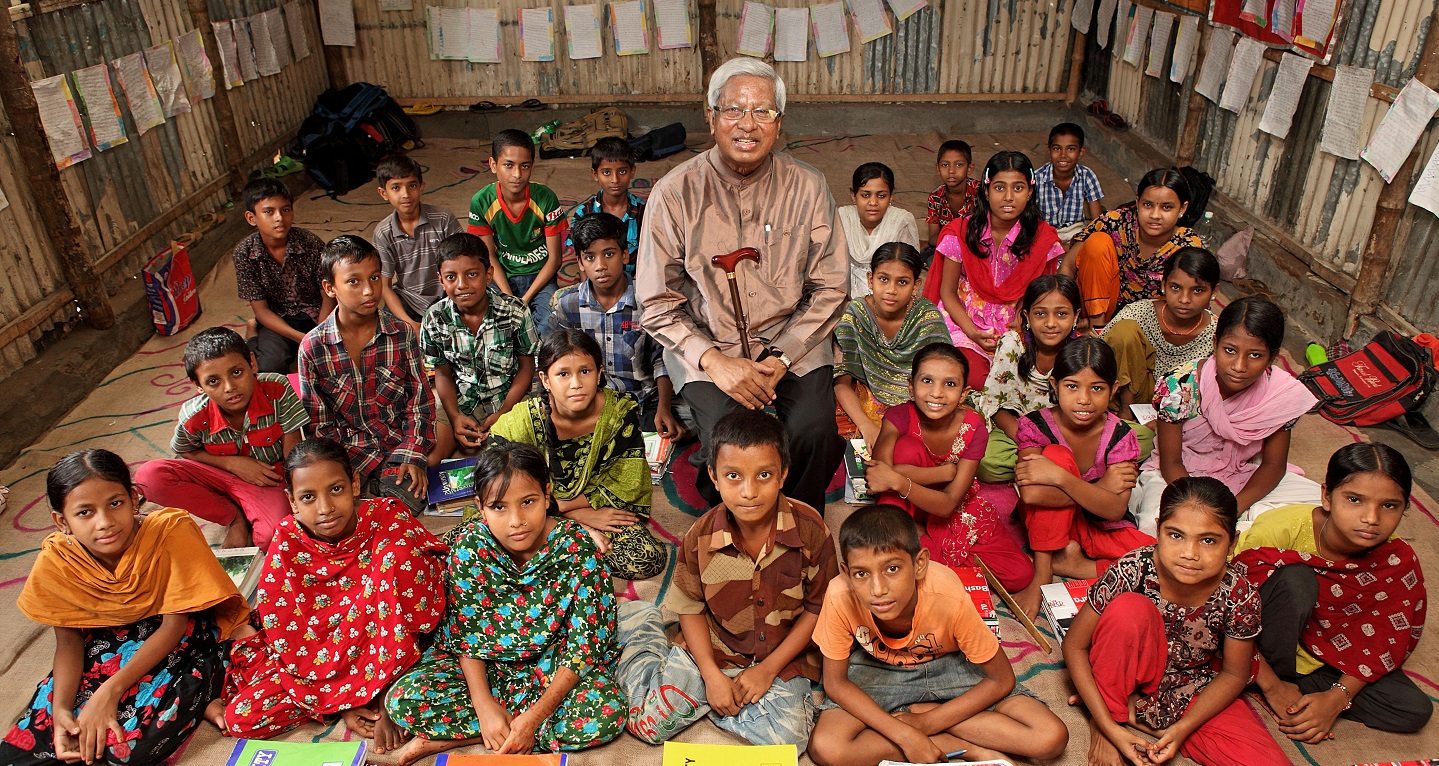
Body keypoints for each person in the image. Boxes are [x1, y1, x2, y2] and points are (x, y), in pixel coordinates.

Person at [636, 56, 847, 512]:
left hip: (793, 339)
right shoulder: (674, 193)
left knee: (814, 432)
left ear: (779, 122)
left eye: (762, 112)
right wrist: (715, 361)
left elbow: (831, 286)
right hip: (710, 342)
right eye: (733, 110)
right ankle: (734, 521)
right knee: (732, 445)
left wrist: (784, 355)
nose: (747, 125)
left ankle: (799, 521)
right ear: (711, 118)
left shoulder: (808, 187)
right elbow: (654, 302)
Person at [0, 449, 248, 766]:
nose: (105, 522)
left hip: (176, 635)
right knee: (30, 746)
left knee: (124, 749)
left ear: (133, 498)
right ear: (62, 521)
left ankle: (204, 689)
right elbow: (69, 642)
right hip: (104, 642)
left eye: (115, 504)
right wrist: (61, 709)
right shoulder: (57, 561)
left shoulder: (170, 532)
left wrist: (109, 693)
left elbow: (174, 626)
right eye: (85, 513)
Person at [385, 442, 626, 763]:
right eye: (499, 507)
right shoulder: (471, 546)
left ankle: (455, 739)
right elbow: (465, 636)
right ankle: (494, 729)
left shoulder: (576, 547)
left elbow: (584, 647)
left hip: (551, 668)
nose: (516, 521)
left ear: (548, 494)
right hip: (487, 668)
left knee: (606, 714)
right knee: (404, 700)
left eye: (528, 502)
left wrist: (535, 717)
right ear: (480, 506)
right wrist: (484, 707)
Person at [617, 410, 838, 748]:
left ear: (783, 475)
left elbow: (817, 608)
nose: (749, 491)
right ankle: (644, 631)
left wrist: (766, 671)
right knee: (651, 726)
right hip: (714, 648)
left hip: (782, 656)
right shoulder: (701, 536)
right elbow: (690, 609)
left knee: (790, 742)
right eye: (733, 476)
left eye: (764, 475)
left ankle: (708, 701)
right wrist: (710, 675)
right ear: (714, 477)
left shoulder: (811, 531)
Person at [216, 438, 447, 755]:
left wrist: (382, 692)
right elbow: (287, 633)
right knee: (242, 717)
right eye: (308, 497)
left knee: (423, 692)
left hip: (392, 654)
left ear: (354, 484)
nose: (325, 508)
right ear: (293, 502)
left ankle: (380, 696)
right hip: (319, 665)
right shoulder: (286, 541)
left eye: (335, 489)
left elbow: (411, 618)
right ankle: (348, 702)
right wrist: (342, 701)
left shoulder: (389, 522)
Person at [808, 505, 1068, 766]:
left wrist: (927, 721)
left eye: (892, 569)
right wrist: (905, 734)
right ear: (846, 573)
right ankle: (961, 747)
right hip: (879, 670)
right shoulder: (840, 594)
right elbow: (836, 683)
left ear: (919, 564)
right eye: (862, 574)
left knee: (1049, 738)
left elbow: (1001, 680)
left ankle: (921, 710)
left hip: (949, 666)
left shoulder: (947, 595)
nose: (878, 589)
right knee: (827, 748)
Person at [1063, 477, 1290, 766]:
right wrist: (1107, 726)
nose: (1189, 554)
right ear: (1158, 530)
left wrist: (1183, 729)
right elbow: (1075, 646)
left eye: (1208, 540)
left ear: (1231, 542)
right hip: (1122, 672)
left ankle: (1135, 714)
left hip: (1193, 684)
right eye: (1175, 535)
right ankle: (1110, 714)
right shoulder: (1133, 568)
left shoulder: (1239, 594)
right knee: (1129, 610)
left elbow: (1234, 675)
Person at [1234, 443, 1432, 740]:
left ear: (1405, 507)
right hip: (1264, 644)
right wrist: (1273, 685)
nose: (1371, 518)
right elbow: (1223, 606)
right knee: (1297, 581)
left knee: (1412, 710)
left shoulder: (1396, 558)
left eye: (1389, 505)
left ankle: (1308, 694)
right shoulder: (1280, 529)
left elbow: (1384, 636)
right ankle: (1267, 680)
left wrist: (1337, 698)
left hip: (1330, 657)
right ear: (1327, 496)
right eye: (1354, 499)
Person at [488, 329, 667, 580]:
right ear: (545, 379)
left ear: (599, 372)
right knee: (475, 541)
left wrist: (570, 510)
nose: (576, 384)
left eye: (585, 371)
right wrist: (570, 519)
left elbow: (627, 483)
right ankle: (571, 541)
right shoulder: (522, 421)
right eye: (563, 374)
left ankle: (553, 554)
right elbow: (497, 486)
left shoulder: (619, 413)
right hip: (530, 512)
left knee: (645, 557)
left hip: (598, 507)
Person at [1132, 296, 1319, 535]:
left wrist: (1235, 506)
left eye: (1255, 355)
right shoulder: (1180, 384)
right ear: (1215, 343)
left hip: (1244, 471)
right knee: (1157, 525)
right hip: (1180, 476)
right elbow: (1171, 462)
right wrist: (1201, 506)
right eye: (1229, 350)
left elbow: (1273, 465)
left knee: (1315, 513)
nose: (1239, 366)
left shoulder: (1280, 394)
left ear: (1272, 357)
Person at [863, 343, 1034, 596]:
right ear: (911, 386)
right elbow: (878, 475)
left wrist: (898, 479)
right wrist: (941, 473)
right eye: (927, 381)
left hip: (951, 507)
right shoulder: (899, 416)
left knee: (1020, 574)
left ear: (964, 393)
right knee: (906, 448)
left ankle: (935, 554)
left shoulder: (974, 426)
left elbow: (947, 504)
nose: (937, 393)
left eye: (950, 384)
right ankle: (917, 541)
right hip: (904, 510)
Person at [299, 235, 441, 514]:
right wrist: (344, 475)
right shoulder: (313, 348)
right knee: (334, 515)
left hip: (397, 447)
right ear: (330, 288)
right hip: (349, 457)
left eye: (375, 278)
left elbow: (420, 403)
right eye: (354, 281)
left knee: (402, 505)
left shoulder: (401, 334)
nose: (369, 291)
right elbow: (320, 426)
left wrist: (411, 453)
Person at [133, 327, 308, 549]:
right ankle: (234, 518)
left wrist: (299, 496)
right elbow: (186, 451)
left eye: (237, 372)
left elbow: (293, 451)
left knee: (272, 538)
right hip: (218, 475)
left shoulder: (277, 388)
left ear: (252, 363)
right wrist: (232, 463)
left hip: (267, 477)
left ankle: (250, 507)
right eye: (213, 381)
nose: (229, 388)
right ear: (198, 386)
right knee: (149, 477)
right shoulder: (193, 416)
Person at [1015, 337, 1153, 616]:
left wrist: (1060, 478)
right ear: (1055, 386)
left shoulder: (1120, 437)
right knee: (1056, 455)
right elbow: (1031, 495)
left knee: (1157, 559)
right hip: (1048, 524)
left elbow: (1114, 510)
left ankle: (1075, 564)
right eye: (1072, 386)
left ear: (1113, 390)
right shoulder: (1035, 426)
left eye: (1097, 388)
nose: (1084, 400)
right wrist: (1101, 488)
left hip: (1100, 524)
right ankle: (1043, 571)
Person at [937, 150, 1064, 390]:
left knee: (1041, 379)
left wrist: (1018, 327)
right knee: (971, 377)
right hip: (965, 321)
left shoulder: (1043, 240)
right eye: (999, 188)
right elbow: (947, 293)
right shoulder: (961, 233)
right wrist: (973, 333)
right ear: (986, 190)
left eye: (1017, 188)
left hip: (1019, 325)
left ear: (1030, 192)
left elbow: (1043, 298)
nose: (1008, 197)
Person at [555, 213, 688, 440]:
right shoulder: (569, 305)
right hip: (591, 402)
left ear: (625, 255)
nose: (600, 266)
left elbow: (661, 358)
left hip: (644, 399)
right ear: (579, 262)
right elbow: (560, 361)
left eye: (609, 254)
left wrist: (663, 407)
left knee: (688, 423)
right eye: (590, 257)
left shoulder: (647, 299)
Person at [421, 233, 539, 454]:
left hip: (510, 399)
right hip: (460, 402)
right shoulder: (434, 317)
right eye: (451, 277)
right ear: (440, 279)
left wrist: (504, 411)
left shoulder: (515, 311)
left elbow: (527, 367)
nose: (462, 285)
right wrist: (455, 417)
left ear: (488, 274)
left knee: (516, 457)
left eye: (472, 274)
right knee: (432, 457)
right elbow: (442, 373)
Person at [832, 242, 948, 446]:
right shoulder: (857, 314)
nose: (891, 290)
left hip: (919, 404)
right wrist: (867, 426)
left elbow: (942, 378)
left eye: (902, 282)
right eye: (883, 279)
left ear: (916, 285)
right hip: (867, 401)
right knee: (828, 432)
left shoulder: (927, 318)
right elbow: (841, 383)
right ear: (870, 279)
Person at [972, 274, 1081, 483]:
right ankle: (1052, 468)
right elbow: (998, 407)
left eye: (1061, 314)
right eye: (1040, 314)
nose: (1051, 323)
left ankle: (1046, 466)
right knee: (988, 462)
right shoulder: (1013, 344)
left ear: (1075, 317)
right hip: (1017, 429)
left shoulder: (1081, 352)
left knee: (1140, 439)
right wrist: (1030, 443)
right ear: (1027, 317)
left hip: (1066, 432)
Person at [1063, 168, 1204, 328]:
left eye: (1166, 207)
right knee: (1097, 242)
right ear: (1137, 203)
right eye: (1148, 205)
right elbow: (1067, 266)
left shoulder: (1187, 246)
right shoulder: (1116, 222)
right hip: (1099, 310)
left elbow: (1192, 301)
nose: (1155, 215)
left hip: (1149, 325)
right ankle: (1097, 330)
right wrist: (1065, 310)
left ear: (1182, 209)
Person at [468, 129, 566, 334]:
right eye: (508, 165)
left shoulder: (545, 198)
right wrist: (508, 298)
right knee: (490, 326)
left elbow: (555, 259)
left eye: (525, 166)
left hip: (541, 278)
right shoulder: (482, 201)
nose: (517, 175)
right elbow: (489, 257)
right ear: (493, 165)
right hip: (501, 277)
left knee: (553, 323)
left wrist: (525, 299)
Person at [232, 177, 332, 373]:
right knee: (269, 367)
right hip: (277, 319)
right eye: (269, 212)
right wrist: (300, 337)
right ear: (251, 218)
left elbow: (328, 292)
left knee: (341, 356)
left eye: (285, 210)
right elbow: (262, 310)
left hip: (317, 313)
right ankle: (253, 335)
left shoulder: (309, 242)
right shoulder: (244, 253)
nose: (279, 218)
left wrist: (321, 329)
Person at [1102, 247, 1220, 413]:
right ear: (1164, 285)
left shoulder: (1218, 333)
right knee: (1124, 331)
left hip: (1182, 409)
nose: (1184, 299)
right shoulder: (1138, 313)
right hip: (1123, 398)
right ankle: (1125, 414)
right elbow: (1098, 353)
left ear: (1214, 292)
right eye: (1176, 288)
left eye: (1197, 290)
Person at [373, 154, 464, 333]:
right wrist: (409, 323)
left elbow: (463, 263)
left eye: (412, 186)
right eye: (396, 188)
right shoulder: (383, 233)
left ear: (421, 187)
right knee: (384, 330)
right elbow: (385, 286)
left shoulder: (442, 219)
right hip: (409, 301)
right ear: (383, 193)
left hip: (448, 295)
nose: (405, 194)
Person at [837, 162, 919, 296]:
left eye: (881, 196)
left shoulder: (901, 221)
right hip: (842, 288)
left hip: (889, 291)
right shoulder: (842, 218)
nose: (873, 203)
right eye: (865, 195)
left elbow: (907, 269)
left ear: (891, 195)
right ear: (853, 195)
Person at [566, 136, 646, 273]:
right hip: (597, 284)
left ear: (632, 171)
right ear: (595, 174)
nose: (615, 179)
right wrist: (587, 291)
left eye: (622, 171)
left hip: (636, 282)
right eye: (606, 172)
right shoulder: (584, 213)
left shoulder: (644, 212)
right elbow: (581, 258)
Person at [1034, 122, 1104, 241]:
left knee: (1098, 241)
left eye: (1070, 149)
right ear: (1049, 150)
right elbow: (1028, 218)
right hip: (1044, 232)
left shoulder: (1087, 176)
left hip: (1075, 232)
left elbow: (1097, 221)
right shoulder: (1037, 178)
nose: (1063, 155)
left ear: (1081, 152)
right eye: (1057, 148)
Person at [924, 139, 980, 247]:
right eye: (945, 165)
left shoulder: (981, 193)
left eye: (959, 165)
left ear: (970, 168)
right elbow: (933, 237)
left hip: (976, 248)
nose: (951, 171)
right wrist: (953, 246)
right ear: (938, 168)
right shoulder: (935, 197)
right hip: (947, 248)